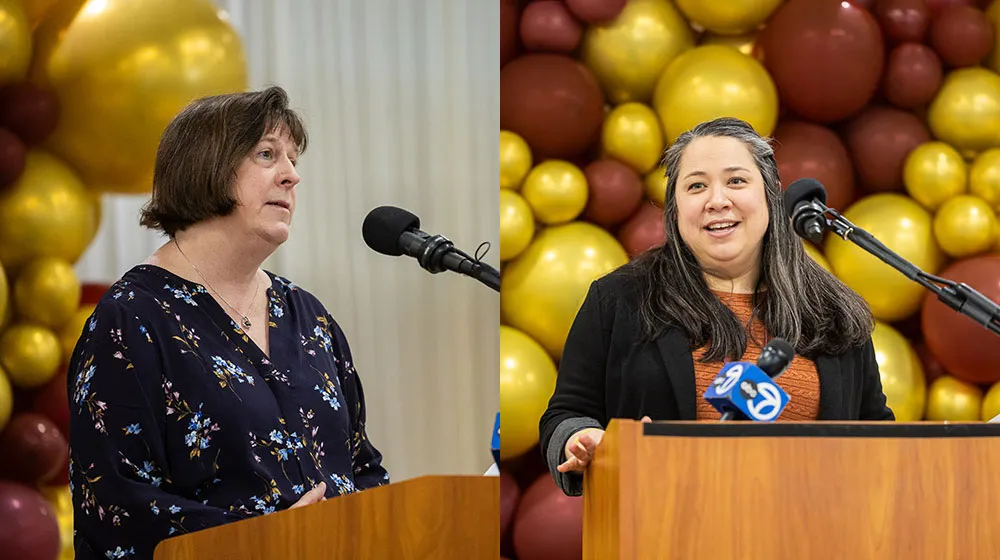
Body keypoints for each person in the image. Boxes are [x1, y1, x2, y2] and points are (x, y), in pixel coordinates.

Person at [67, 86, 389, 559]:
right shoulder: (131, 319)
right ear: (207, 166)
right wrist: (268, 539)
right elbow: (116, 509)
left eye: (294, 160)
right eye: (267, 154)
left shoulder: (309, 316)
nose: (292, 176)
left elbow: (362, 465)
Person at [538, 117, 893, 497]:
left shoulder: (832, 309)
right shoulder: (620, 299)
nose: (717, 201)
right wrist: (583, 437)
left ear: (772, 192)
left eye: (736, 181)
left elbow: (876, 432)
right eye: (696, 186)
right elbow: (565, 415)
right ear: (675, 208)